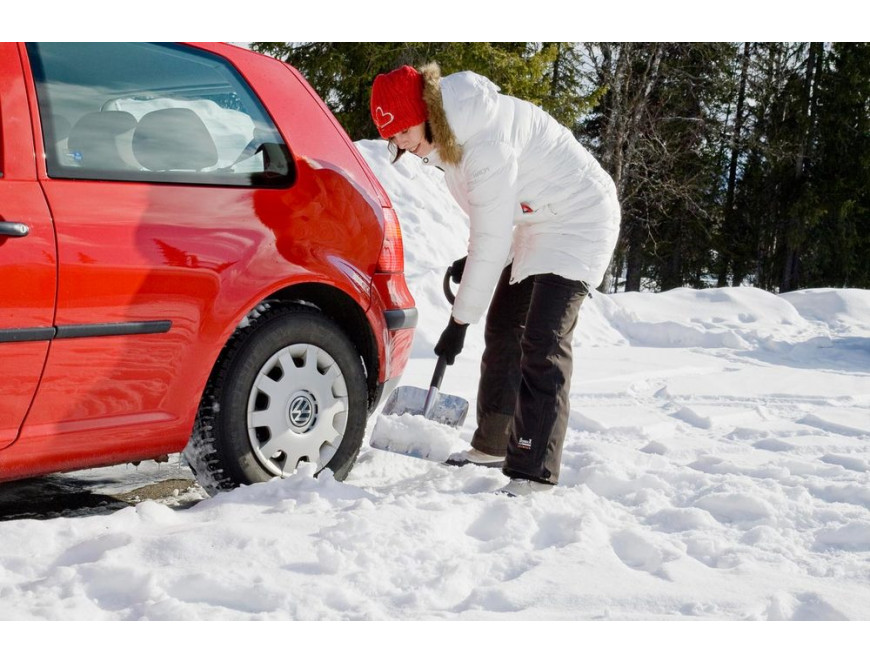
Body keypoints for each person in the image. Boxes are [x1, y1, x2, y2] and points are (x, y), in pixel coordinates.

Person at [370, 63, 620, 496]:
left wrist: (457, 323)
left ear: (425, 112)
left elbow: (491, 231)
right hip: (536, 223)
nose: (400, 143)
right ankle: (493, 445)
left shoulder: (484, 142)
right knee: (505, 327)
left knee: (543, 340)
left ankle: (534, 469)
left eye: (403, 130)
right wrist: (476, 261)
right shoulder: (450, 139)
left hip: (581, 220)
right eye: (391, 137)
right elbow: (493, 225)